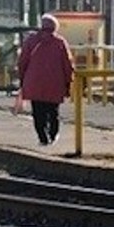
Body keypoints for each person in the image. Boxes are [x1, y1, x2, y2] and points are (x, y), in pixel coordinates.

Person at [16, 14, 75, 146]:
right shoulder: (60, 43)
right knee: (53, 111)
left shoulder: (31, 41)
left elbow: (22, 62)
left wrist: (22, 79)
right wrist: (68, 81)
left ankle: (43, 137)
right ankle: (53, 135)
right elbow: (68, 65)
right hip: (55, 83)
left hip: (34, 82)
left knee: (38, 112)